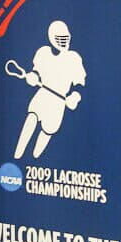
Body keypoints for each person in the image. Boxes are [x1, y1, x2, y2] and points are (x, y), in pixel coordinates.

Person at [13, 21, 85, 160]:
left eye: (66, 37)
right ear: (52, 38)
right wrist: (33, 76)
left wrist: (74, 96)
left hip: (59, 103)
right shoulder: (43, 53)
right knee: (32, 116)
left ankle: (35, 159)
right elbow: (36, 71)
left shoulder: (74, 58)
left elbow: (80, 84)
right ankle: (18, 154)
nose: (63, 41)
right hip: (43, 95)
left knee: (48, 131)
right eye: (60, 38)